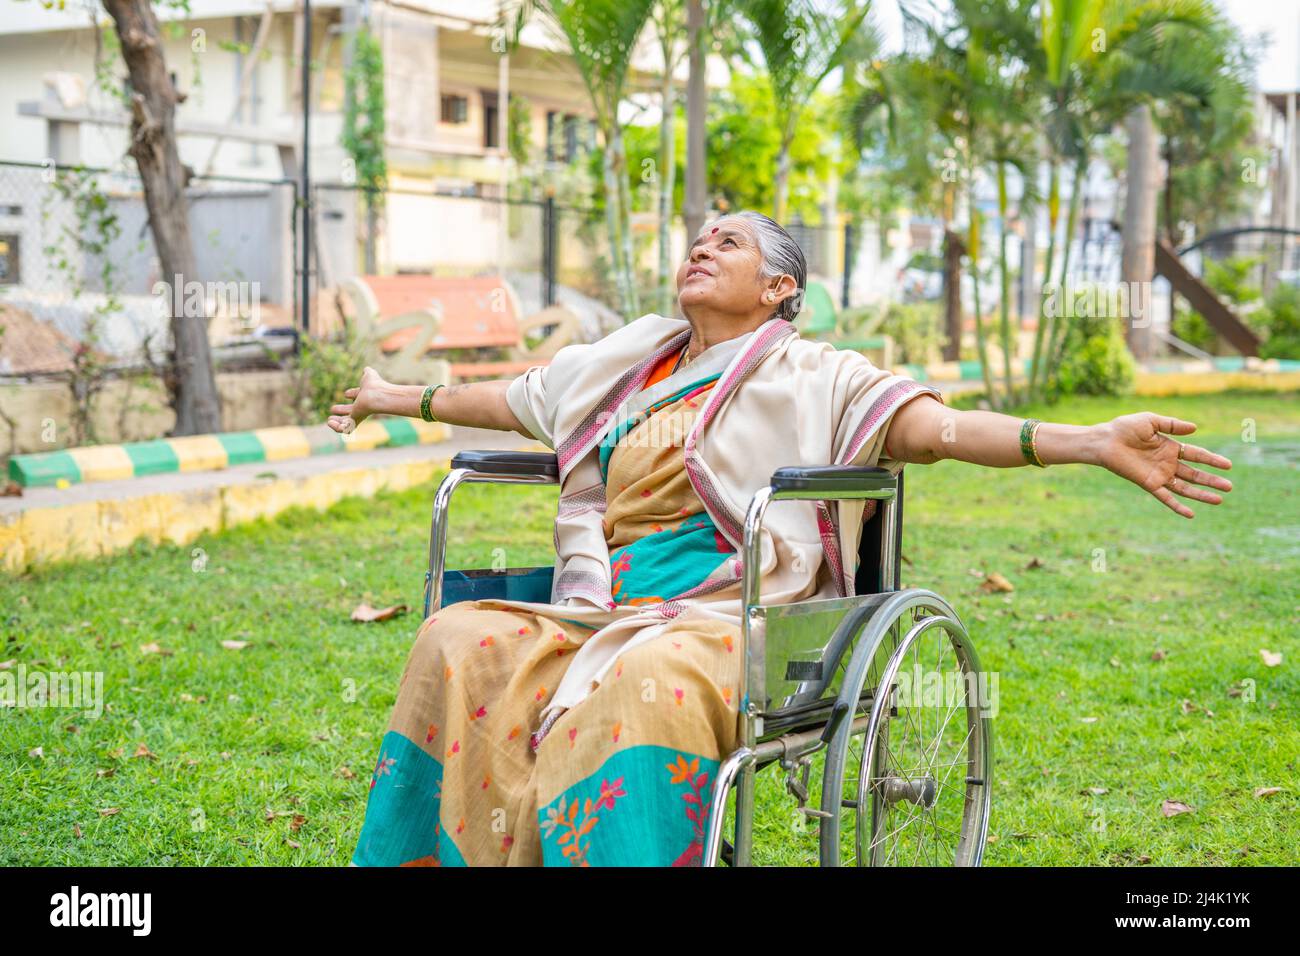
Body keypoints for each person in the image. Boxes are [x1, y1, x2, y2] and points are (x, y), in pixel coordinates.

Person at [327, 211, 1233, 866]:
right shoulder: (619, 364)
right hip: (596, 601)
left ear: (780, 287)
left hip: (736, 613)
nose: (701, 247)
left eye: (729, 242)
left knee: (651, 676)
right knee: (455, 637)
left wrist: (1082, 443)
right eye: (698, 238)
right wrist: (391, 397)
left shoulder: (815, 375)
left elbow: (938, 429)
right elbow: (507, 399)